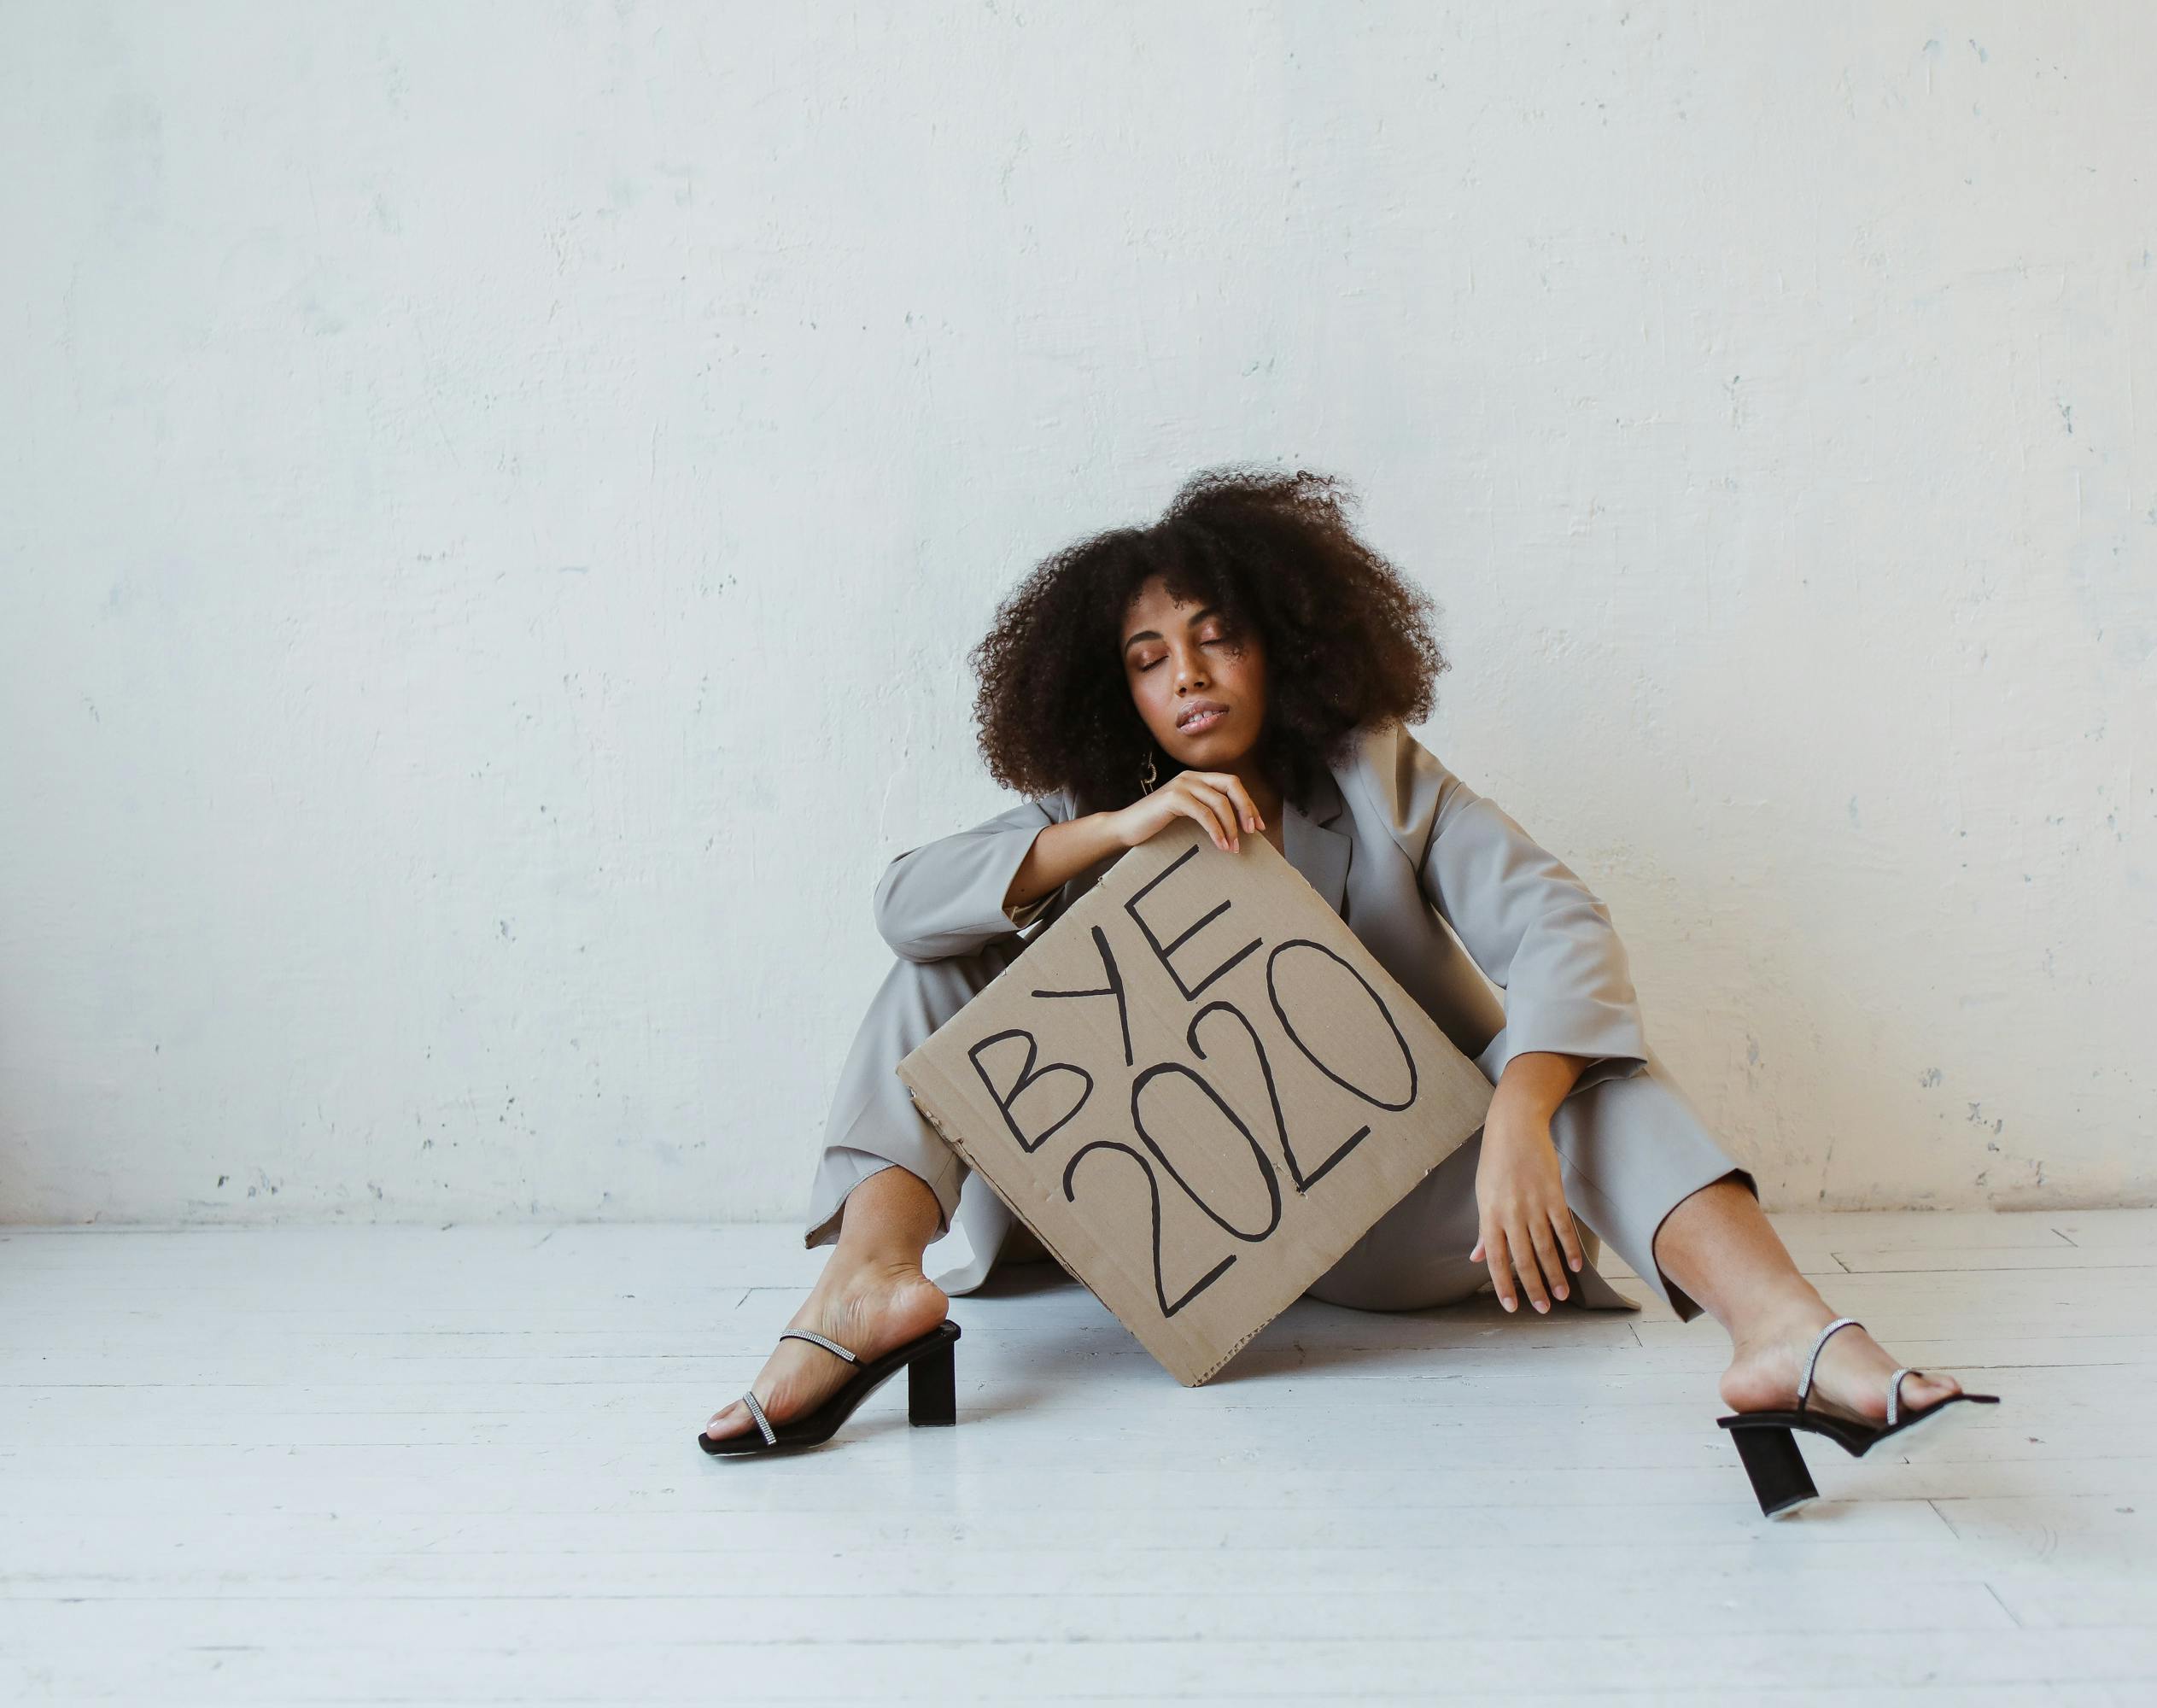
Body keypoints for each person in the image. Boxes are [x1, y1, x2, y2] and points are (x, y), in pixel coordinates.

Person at [703, 467, 1972, 1453]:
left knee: (1593, 1074)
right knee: (939, 958)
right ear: (1115, 696)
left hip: (1407, 1212)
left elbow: (1559, 924)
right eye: (1149, 662)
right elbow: (903, 905)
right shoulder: (1093, 813)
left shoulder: (1377, 775)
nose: (1188, 678)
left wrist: (1523, 1116)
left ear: (1284, 645)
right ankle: (865, 1289)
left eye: (1216, 639)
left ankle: (1786, 1338)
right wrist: (1120, 826)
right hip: (1158, 1220)